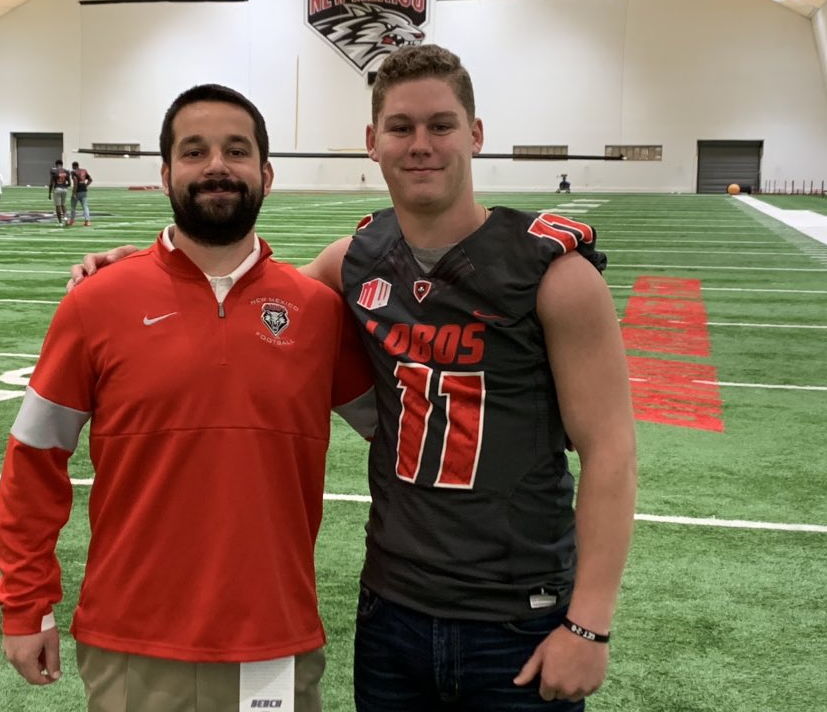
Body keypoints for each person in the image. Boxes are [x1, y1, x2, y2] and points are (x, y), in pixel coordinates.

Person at [68, 44, 637, 711]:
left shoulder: (555, 274)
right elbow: (240, 294)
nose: (420, 144)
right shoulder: (356, 260)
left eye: (441, 125)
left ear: (476, 135)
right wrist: (139, 266)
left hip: (516, 618)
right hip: (391, 610)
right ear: (373, 142)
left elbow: (611, 453)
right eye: (401, 128)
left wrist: (588, 623)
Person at [0, 83, 376, 712]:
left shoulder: (316, 314)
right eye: (195, 152)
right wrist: (25, 604)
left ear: (267, 173)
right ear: (167, 173)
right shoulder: (95, 303)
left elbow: (406, 434)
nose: (217, 166)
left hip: (273, 643)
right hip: (131, 641)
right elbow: (35, 459)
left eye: (237, 150)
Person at [68, 161, 93, 226]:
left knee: (73, 207)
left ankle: (72, 221)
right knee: (85, 206)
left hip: (78, 189)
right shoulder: (84, 170)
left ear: (73, 166)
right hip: (83, 189)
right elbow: (90, 179)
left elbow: (75, 182)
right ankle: (87, 221)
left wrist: (74, 192)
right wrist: (86, 185)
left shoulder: (73, 172)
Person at [47, 159, 71, 225]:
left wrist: (49, 193)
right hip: (65, 189)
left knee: (58, 206)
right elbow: (69, 183)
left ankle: (60, 221)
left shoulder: (54, 171)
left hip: (57, 189)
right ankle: (65, 217)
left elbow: (51, 183)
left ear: (56, 164)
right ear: (62, 164)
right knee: (63, 205)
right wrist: (64, 185)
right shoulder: (66, 171)